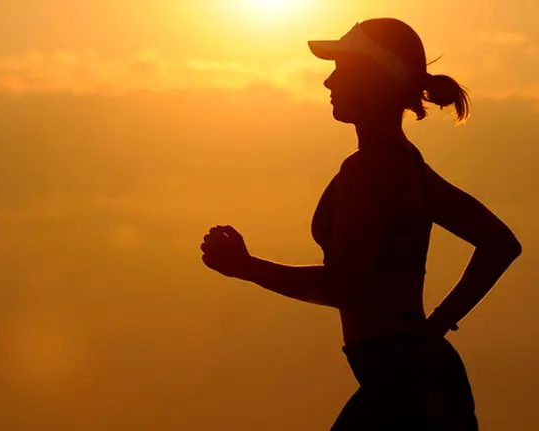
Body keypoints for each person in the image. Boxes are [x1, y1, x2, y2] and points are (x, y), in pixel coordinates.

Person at [199, 18, 522, 430]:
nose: (328, 83)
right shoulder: (407, 166)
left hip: (406, 392)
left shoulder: (373, 170)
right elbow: (500, 244)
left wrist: (247, 268)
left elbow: (343, 286)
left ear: (375, 78)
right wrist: (434, 327)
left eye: (341, 69)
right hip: (414, 382)